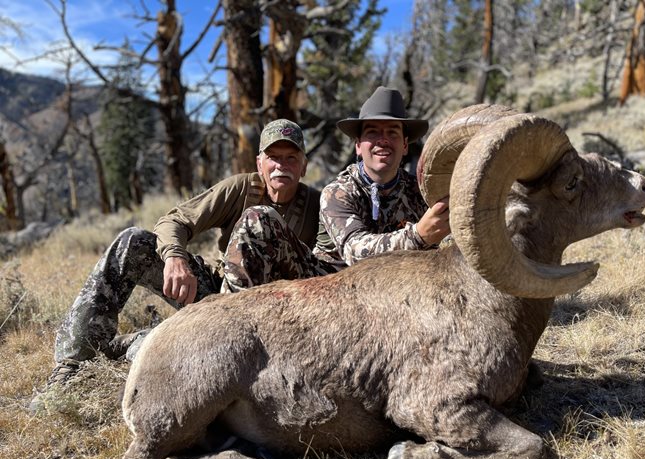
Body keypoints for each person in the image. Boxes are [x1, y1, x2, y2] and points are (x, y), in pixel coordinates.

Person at [31, 119, 319, 410]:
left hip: (277, 318)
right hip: (219, 300)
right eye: (273, 158)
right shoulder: (241, 188)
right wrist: (175, 258)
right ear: (260, 163)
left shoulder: (318, 206)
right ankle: (72, 364)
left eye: (291, 158)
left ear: (303, 166)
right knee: (132, 242)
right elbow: (174, 220)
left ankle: (140, 343)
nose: (281, 165)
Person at [219, 85, 451, 290]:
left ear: (405, 144)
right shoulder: (338, 191)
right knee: (258, 218)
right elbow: (356, 252)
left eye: (392, 132)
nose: (383, 140)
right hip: (329, 289)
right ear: (358, 145)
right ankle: (235, 317)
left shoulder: (423, 191)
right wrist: (419, 234)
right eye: (372, 132)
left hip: (398, 290)